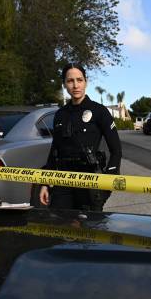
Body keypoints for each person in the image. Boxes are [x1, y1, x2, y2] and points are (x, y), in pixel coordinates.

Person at [39, 63, 122, 211]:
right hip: (63, 182)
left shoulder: (99, 111)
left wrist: (107, 183)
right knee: (59, 227)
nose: (75, 85)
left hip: (90, 182)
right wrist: (45, 183)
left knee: (89, 231)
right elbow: (54, 151)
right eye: (70, 81)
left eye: (79, 80)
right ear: (64, 84)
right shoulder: (60, 114)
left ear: (86, 81)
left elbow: (116, 151)